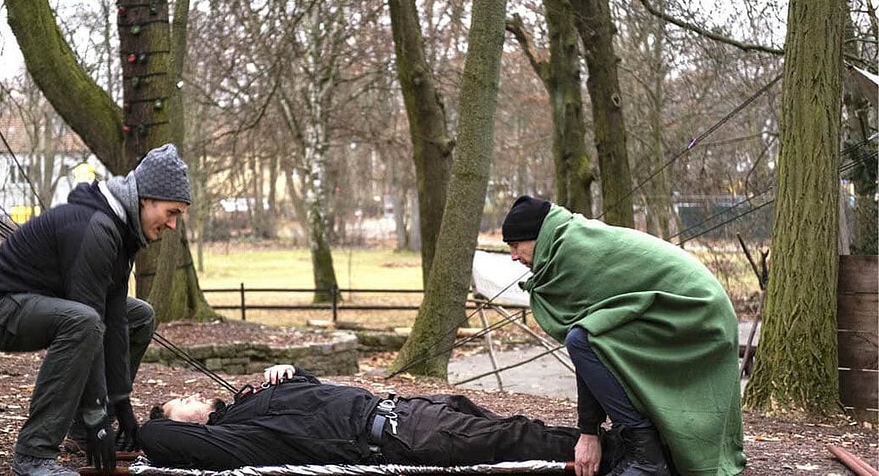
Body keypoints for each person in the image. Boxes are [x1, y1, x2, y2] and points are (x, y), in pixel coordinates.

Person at [0, 144, 192, 476]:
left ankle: (82, 433)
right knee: (83, 322)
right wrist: (98, 414)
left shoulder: (122, 230)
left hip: (42, 304)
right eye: (171, 212)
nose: (172, 224)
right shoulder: (96, 228)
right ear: (147, 199)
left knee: (139, 316)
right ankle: (33, 453)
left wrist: (121, 404)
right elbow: (91, 320)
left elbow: (115, 320)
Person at [500, 196, 746, 476]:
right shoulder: (568, 240)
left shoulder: (574, 252)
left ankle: (646, 455)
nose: (513, 256)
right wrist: (589, 429)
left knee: (582, 341)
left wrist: (588, 431)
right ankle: (652, 446)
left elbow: (588, 340)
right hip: (682, 310)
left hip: (698, 313)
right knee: (587, 340)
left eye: (516, 245)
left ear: (539, 237)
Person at [138, 364, 620, 472]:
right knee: (515, 437)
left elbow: (318, 400)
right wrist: (146, 422)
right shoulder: (233, 439)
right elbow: (154, 436)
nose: (189, 394)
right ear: (185, 426)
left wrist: (294, 373)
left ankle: (609, 442)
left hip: (402, 407)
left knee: (515, 426)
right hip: (398, 435)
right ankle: (620, 452)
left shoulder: (246, 401)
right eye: (179, 403)